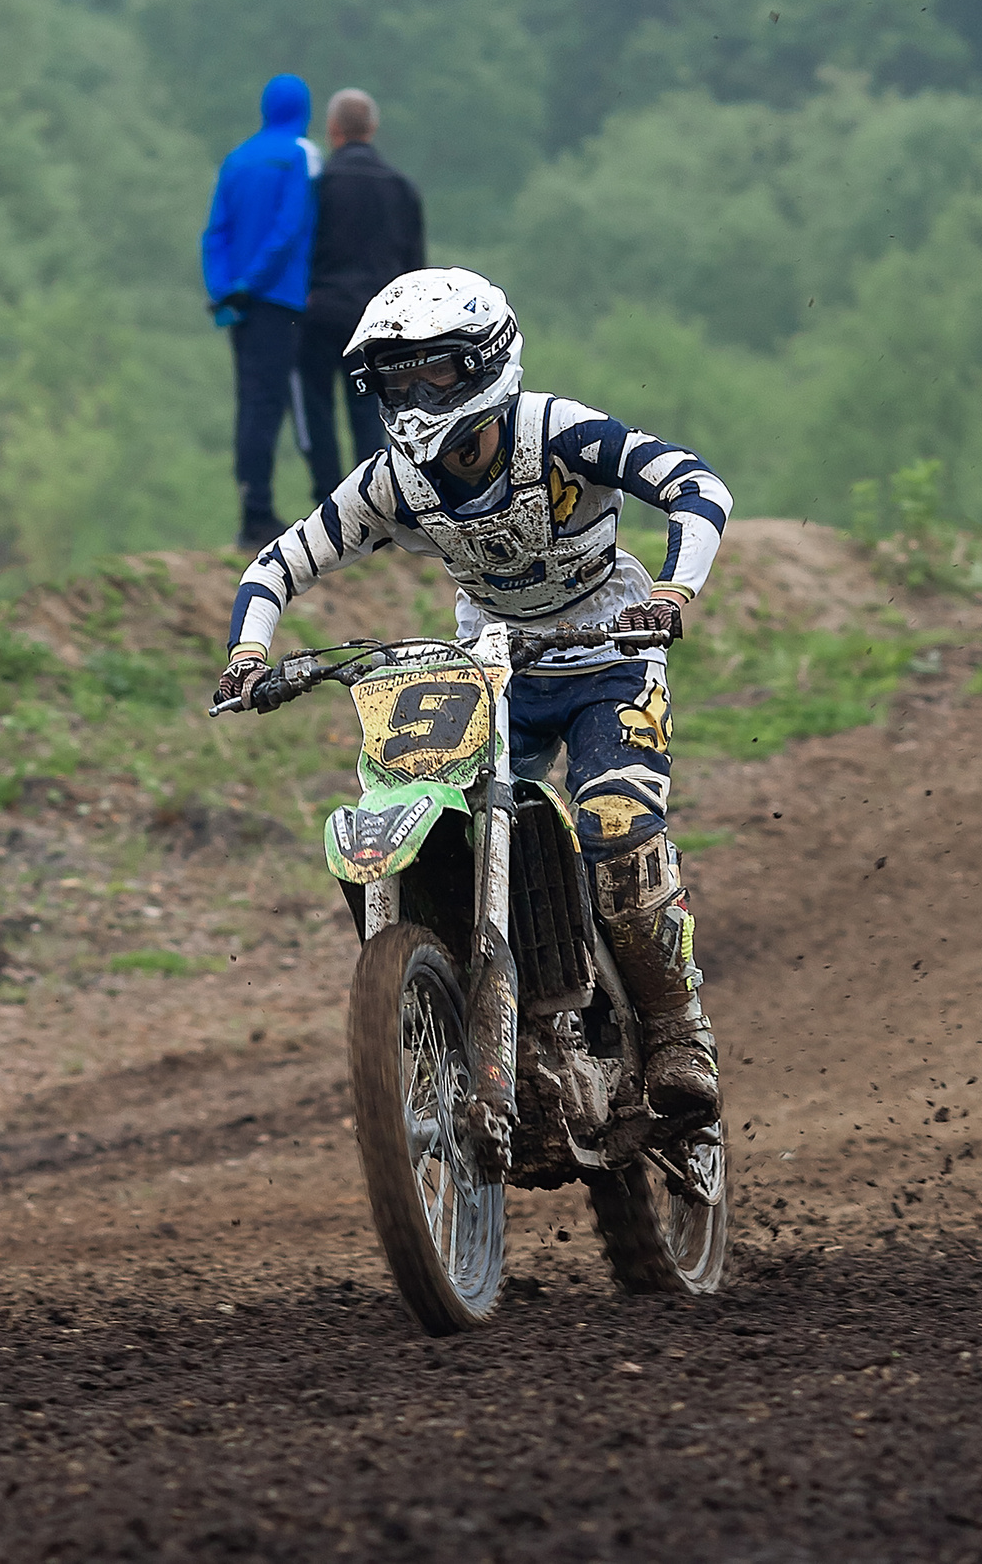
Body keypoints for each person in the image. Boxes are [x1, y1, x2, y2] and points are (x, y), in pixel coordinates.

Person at [213, 268, 734, 1119]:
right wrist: (247, 653)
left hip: (610, 653)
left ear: (487, 362)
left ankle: (678, 1029)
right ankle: (464, 1008)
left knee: (614, 825)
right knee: (443, 825)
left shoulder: (557, 431)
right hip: (493, 667)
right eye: (397, 381)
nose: (417, 399)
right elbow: (279, 562)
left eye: (437, 374)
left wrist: (673, 593)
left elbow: (696, 485)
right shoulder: (394, 481)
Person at [201, 74, 322, 550]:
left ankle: (251, 507)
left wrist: (226, 289)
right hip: (280, 298)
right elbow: (289, 228)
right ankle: (263, 515)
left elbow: (216, 233)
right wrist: (255, 282)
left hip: (240, 306)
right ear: (303, 109)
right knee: (275, 403)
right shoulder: (299, 154)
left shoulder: (237, 158)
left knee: (249, 402)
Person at [297, 88, 424, 499]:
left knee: (316, 408)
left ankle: (327, 500)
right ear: (373, 128)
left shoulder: (318, 186)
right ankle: (371, 501)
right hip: (377, 321)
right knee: (371, 408)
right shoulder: (401, 188)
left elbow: (299, 249)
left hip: (321, 310)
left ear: (332, 129)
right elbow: (414, 268)